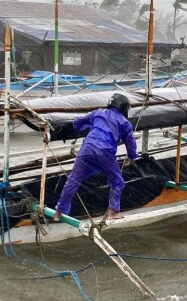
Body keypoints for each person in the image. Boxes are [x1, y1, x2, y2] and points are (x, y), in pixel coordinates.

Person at [53, 93, 138, 222]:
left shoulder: (98, 113)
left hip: (86, 150)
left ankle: (58, 212)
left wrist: (76, 126)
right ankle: (112, 212)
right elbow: (130, 141)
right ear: (124, 108)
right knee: (117, 182)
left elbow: (78, 122)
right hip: (105, 152)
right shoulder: (124, 122)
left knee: (72, 181)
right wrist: (131, 157)